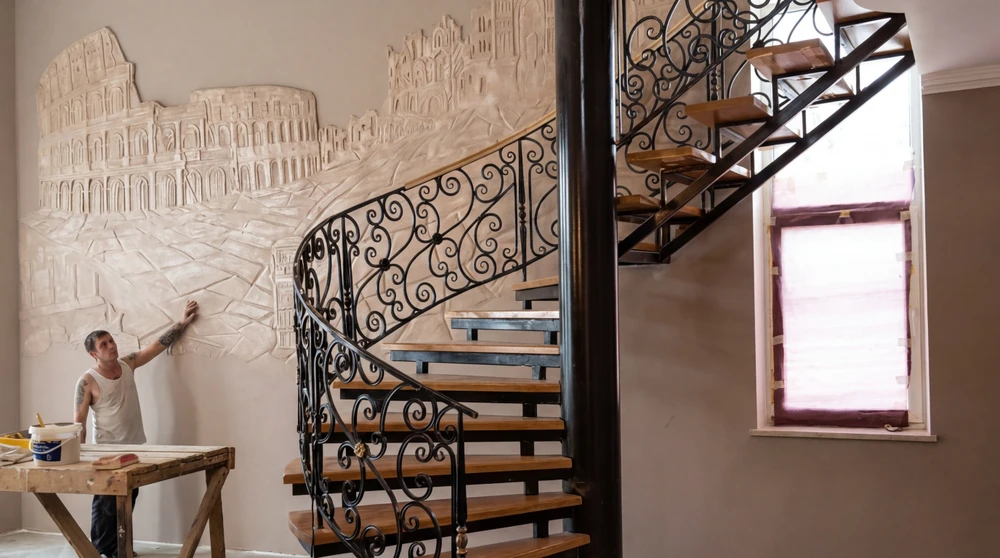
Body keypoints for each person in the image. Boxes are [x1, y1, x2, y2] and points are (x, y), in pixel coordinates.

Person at [73, 301, 198, 558]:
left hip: (134, 447)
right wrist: (80, 456)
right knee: (106, 503)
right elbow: (78, 423)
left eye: (111, 341)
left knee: (128, 499)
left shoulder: (128, 364)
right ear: (93, 354)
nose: (111, 346)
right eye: (104, 345)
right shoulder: (87, 381)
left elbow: (156, 346)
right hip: (105, 452)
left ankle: (121, 549)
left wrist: (183, 322)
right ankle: (99, 551)